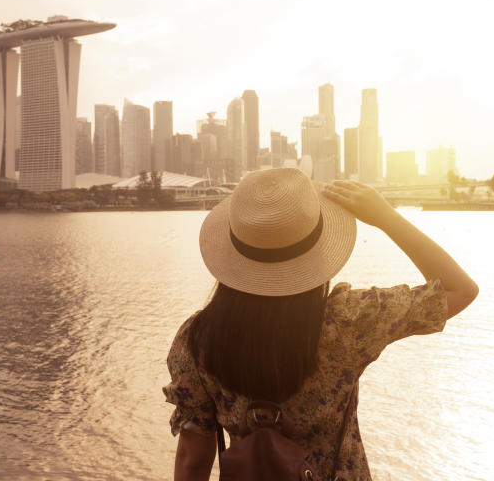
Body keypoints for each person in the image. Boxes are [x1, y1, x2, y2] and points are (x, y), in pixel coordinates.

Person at [163, 167, 478, 480]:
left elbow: (193, 461)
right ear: (317, 253)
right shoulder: (351, 322)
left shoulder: (196, 340)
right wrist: (385, 216)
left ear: (233, 254)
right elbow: (460, 289)